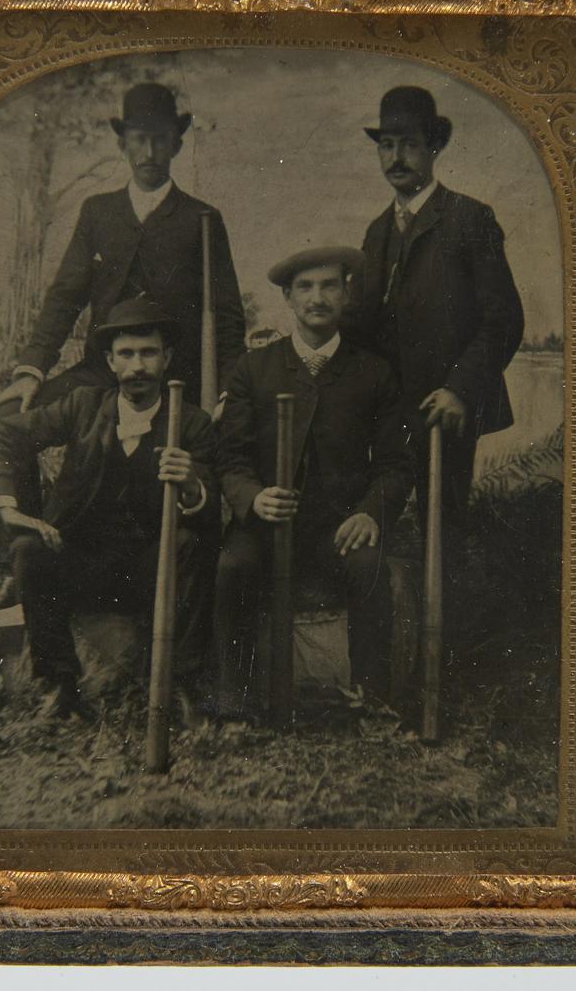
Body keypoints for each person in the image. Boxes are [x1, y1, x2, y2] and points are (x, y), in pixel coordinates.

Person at [0, 81, 245, 607]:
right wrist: (31, 371)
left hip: (174, 379)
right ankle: (28, 547)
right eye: (139, 140)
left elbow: (228, 318)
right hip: (101, 375)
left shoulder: (202, 219)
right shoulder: (98, 213)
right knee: (8, 425)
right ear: (123, 144)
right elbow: (63, 299)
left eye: (161, 140)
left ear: (177, 144)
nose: (149, 154)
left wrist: (227, 392)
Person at [0, 299, 219, 719]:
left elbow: (214, 512)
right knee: (30, 554)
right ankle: (61, 686)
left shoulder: (191, 422)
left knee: (190, 545)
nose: (137, 365)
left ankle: (181, 685)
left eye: (148, 353)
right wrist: (6, 507)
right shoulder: (83, 406)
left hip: (150, 569)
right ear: (110, 361)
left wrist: (191, 484)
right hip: (84, 561)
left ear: (167, 359)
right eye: (126, 354)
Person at [214, 248, 413, 715]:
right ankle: (234, 697)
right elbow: (230, 456)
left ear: (346, 294)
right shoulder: (254, 369)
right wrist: (253, 497)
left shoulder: (374, 372)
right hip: (265, 524)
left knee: (369, 566)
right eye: (305, 287)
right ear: (287, 296)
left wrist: (370, 511)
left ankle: (371, 695)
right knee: (231, 567)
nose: (317, 297)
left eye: (329, 286)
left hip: (337, 527)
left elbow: (396, 463)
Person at [347, 86, 524, 583]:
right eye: (386, 144)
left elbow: (503, 321)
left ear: (434, 147)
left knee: (441, 537)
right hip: (388, 410)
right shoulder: (377, 231)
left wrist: (460, 390)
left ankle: (447, 655)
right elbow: (363, 324)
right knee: (368, 524)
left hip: (445, 408)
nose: (396, 156)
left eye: (408, 143)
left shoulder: (468, 219)